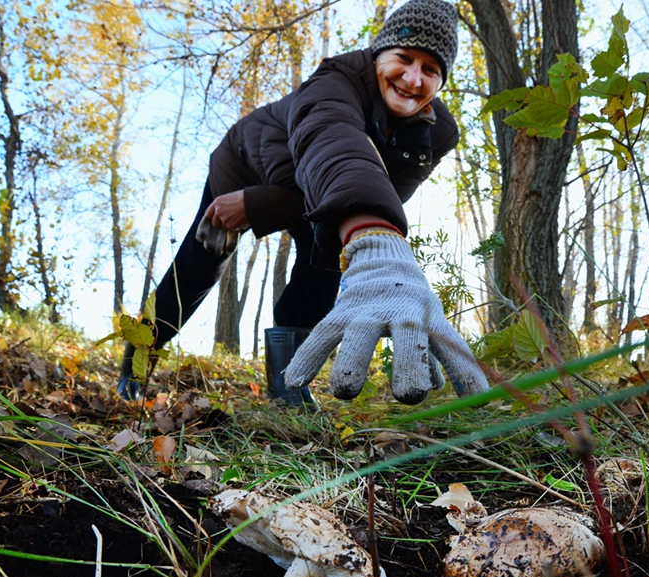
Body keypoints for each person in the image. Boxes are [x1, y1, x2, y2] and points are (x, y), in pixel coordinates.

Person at [117, 0, 489, 407]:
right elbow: (331, 143)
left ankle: (287, 386)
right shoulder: (335, 82)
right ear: (378, 54)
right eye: (403, 58)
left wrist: (362, 239)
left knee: (325, 259)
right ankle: (134, 366)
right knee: (196, 270)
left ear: (440, 82)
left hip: (308, 191)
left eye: (430, 70)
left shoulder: (438, 132)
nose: (413, 78)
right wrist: (250, 203)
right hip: (248, 168)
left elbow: (381, 192)